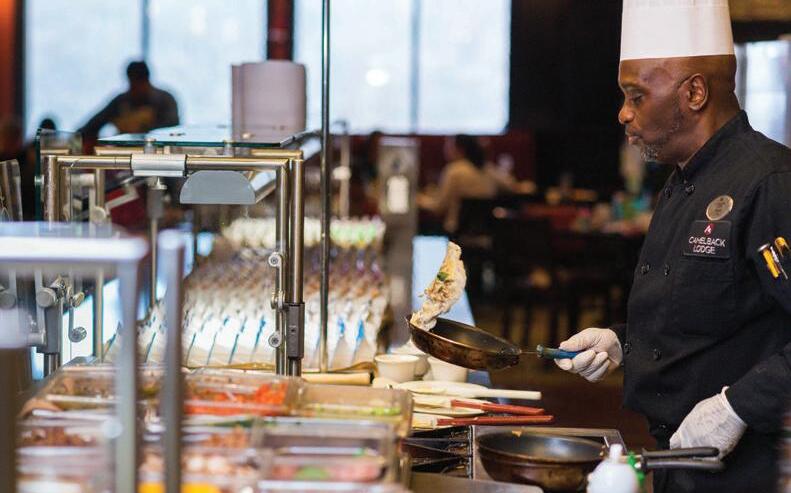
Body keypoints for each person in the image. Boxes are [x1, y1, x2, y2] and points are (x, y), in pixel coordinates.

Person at [555, 1, 791, 492]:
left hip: (749, 471)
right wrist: (622, 342)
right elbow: (709, 314)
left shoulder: (769, 182)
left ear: (695, 92)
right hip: (679, 458)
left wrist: (738, 407)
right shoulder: (682, 180)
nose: (623, 113)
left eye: (636, 96)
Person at [417, 134, 497, 233]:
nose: (445, 150)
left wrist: (419, 199)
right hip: (486, 232)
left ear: (460, 149)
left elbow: (439, 207)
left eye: (449, 146)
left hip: (456, 233)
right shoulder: (489, 169)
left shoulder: (454, 170)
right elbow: (511, 185)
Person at [79, 61, 179, 139]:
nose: (134, 89)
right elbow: (92, 125)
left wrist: (138, 128)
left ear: (146, 81)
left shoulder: (165, 100)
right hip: (123, 153)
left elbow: (172, 129)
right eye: (132, 84)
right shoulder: (121, 100)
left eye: (138, 85)